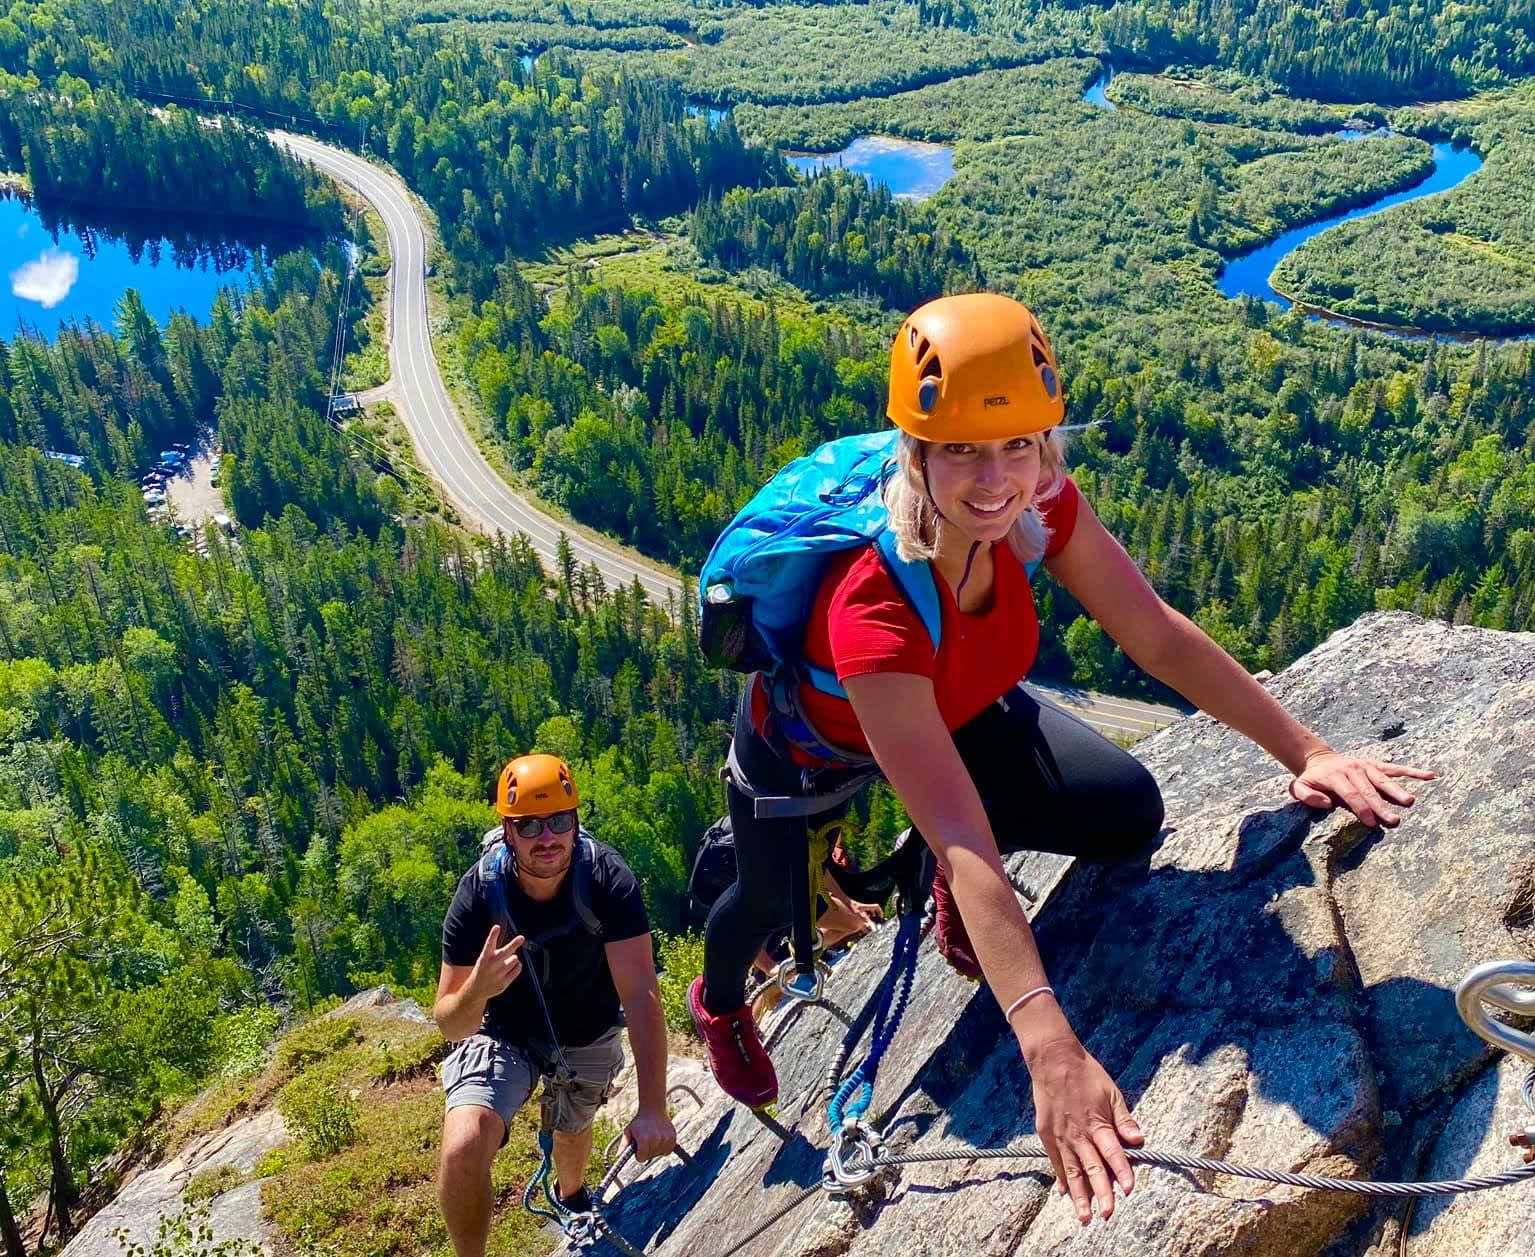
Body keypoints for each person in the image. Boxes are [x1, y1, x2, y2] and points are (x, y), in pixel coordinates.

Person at [687, 292, 1434, 1227]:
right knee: (765, 903)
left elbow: (1153, 636)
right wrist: (1048, 1044)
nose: (994, 478)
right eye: (959, 447)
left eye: (1018, 445)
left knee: (1124, 811)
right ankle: (717, 1002)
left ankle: (953, 900)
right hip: (802, 750)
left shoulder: (1038, 501)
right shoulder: (871, 605)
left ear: (1045, 443)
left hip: (954, 713)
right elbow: (954, 826)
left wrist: (1308, 750)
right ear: (915, 452)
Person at [434, 753, 677, 1257]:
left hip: (588, 1030)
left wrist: (654, 1107)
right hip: (503, 1032)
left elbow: (640, 993)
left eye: (559, 822)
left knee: (572, 1127)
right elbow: (451, 1024)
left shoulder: (608, 880)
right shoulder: (479, 895)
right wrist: (477, 990)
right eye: (528, 826)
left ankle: (572, 1196)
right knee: (463, 1145)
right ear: (507, 831)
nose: (547, 838)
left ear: (576, 821)